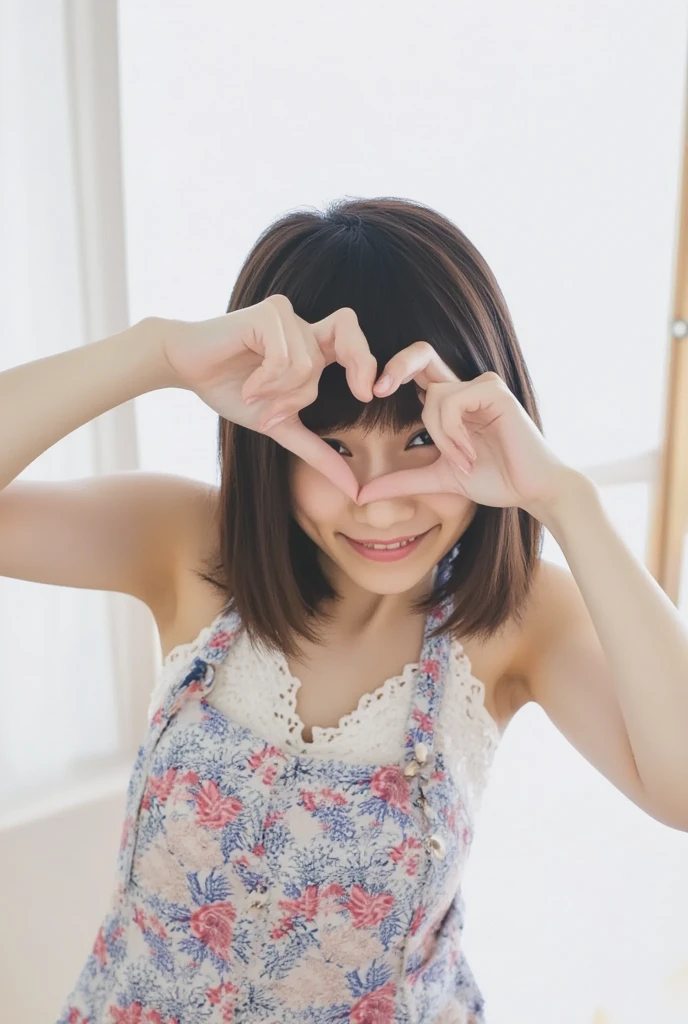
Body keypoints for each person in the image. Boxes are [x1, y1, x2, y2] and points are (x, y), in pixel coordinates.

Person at [2, 197, 686, 1024]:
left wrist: (567, 499)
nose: (379, 504)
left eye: (419, 442)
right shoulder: (188, 545)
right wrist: (159, 352)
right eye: (333, 447)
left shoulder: (518, 620)